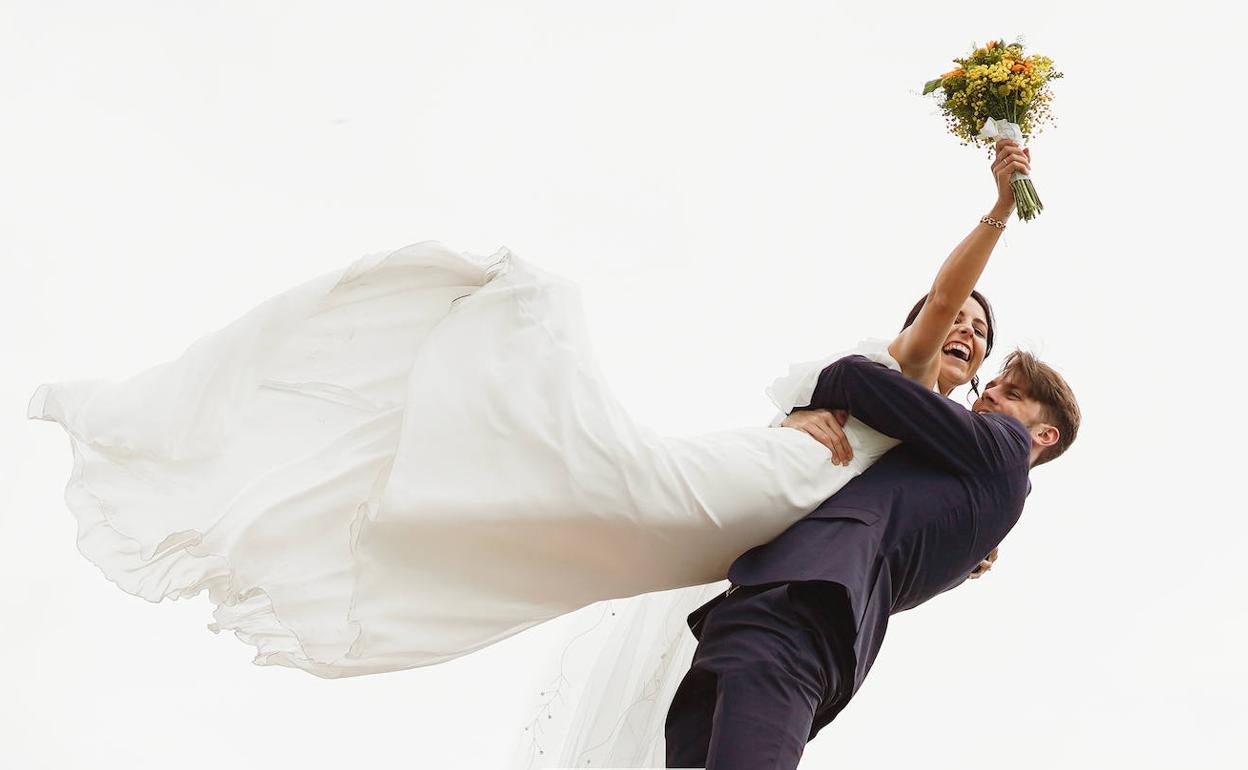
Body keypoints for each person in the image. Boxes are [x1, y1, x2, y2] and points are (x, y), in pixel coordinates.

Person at [25, 140, 1031, 682]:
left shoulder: (941, 445)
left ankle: (434, 507)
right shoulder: (896, 369)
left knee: (590, 541)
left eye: (983, 339)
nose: (968, 336)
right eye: (961, 326)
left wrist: (974, 548)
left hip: (749, 541)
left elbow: (921, 525)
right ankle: (443, 445)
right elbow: (943, 300)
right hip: (767, 480)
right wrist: (994, 213)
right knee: (608, 477)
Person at [662, 350, 1081, 769]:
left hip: (796, 620)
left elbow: (857, 379)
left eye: (1012, 393)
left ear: (1044, 435)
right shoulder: (983, 504)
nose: (989, 392)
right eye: (991, 383)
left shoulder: (1002, 444)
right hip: (767, 619)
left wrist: (811, 401)